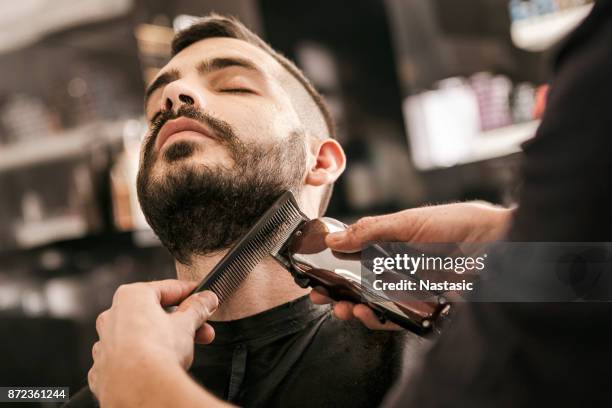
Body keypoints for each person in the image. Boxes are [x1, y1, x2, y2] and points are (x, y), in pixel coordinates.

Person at [68, 13, 415, 408]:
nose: (174, 93)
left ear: (320, 161)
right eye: (153, 114)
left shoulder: (429, 359)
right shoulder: (106, 393)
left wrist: (147, 390)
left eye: (235, 86)